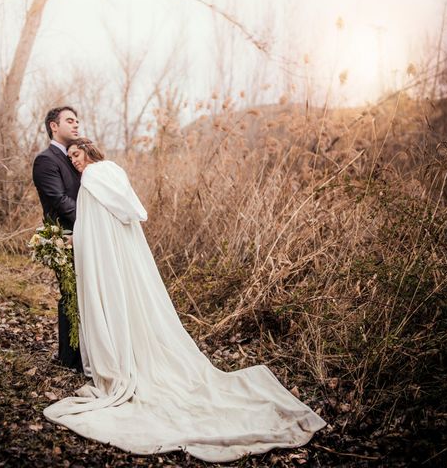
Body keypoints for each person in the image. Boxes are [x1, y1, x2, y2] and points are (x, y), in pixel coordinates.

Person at [44, 138, 327, 463]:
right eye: (71, 158)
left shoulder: (93, 176)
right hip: (125, 255)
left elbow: (96, 224)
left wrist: (81, 245)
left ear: (88, 151)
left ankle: (126, 359)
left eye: (76, 154)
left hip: (110, 255)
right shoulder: (113, 171)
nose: (74, 161)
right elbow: (122, 215)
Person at [32, 106, 83, 372]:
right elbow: (59, 201)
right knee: (71, 296)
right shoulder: (46, 160)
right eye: (70, 121)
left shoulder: (76, 157)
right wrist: (91, 224)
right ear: (54, 126)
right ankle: (70, 358)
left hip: (85, 237)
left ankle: (87, 352)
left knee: (88, 294)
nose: (76, 125)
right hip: (65, 237)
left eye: (77, 121)